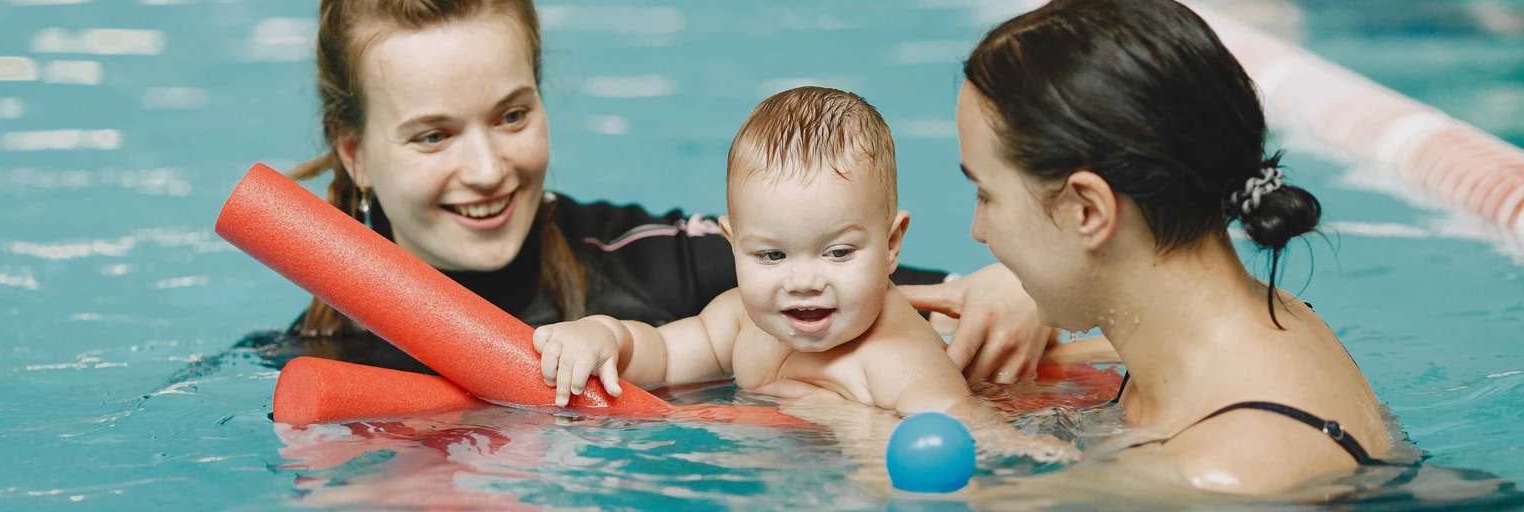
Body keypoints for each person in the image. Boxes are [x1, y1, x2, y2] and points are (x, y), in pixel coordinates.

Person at [243, 0, 1055, 384]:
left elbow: (890, 282)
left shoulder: (672, 264)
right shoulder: (318, 357)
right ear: (354, 154)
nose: (489, 169)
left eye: (513, 114)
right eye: (433, 135)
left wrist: (1015, 291)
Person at [952, 0, 1393, 493]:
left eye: (985, 194)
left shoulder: (1208, 478)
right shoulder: (1271, 321)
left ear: (1088, 212)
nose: (978, 229)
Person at [533, 86, 974, 415]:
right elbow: (664, 358)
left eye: (837, 253)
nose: (803, 282)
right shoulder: (743, 323)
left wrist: (852, 426)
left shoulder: (901, 361)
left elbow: (963, 438)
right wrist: (606, 336)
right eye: (772, 256)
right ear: (733, 246)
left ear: (892, 244)